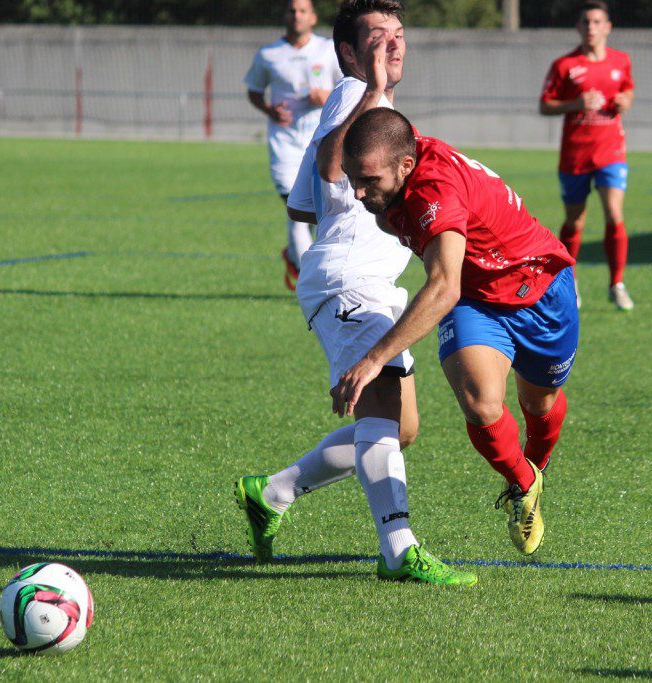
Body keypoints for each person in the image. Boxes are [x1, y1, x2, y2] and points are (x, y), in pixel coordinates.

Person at [236, 0, 476, 587]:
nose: (392, 44)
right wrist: (369, 88)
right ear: (347, 51)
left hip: (368, 281)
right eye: (376, 37)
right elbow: (328, 166)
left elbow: (303, 204)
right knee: (382, 413)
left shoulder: (363, 102)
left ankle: (272, 493)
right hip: (350, 280)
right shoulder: (354, 94)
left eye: (398, 34)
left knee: (401, 428)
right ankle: (398, 549)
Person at [334, 108, 579, 556]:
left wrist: (372, 360)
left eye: (368, 180)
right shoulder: (398, 159)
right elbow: (451, 287)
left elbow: (442, 287)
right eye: (352, 178)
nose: (358, 192)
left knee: (539, 404)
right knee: (481, 403)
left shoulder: (434, 190)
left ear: (406, 166)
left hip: (541, 286)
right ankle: (524, 482)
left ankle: (535, 469)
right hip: (474, 297)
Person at [539, 0, 635, 311]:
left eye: (597, 22)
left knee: (614, 213)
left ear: (608, 27)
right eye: (586, 21)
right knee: (575, 220)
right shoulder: (564, 65)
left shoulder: (621, 61)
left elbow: (628, 91)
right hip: (576, 155)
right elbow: (544, 105)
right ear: (578, 27)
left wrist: (625, 100)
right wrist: (575, 104)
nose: (591, 27)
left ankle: (617, 284)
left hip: (611, 152)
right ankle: (571, 281)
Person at [244, 0, 343, 290]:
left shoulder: (328, 50)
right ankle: (308, 278)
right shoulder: (269, 54)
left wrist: (326, 96)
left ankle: (297, 259)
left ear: (312, 17)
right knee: (295, 207)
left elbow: (348, 87)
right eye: (292, 10)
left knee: (317, 209)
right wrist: (269, 109)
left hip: (322, 139)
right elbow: (254, 90)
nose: (296, 15)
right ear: (285, 16)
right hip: (284, 143)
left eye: (302, 11)